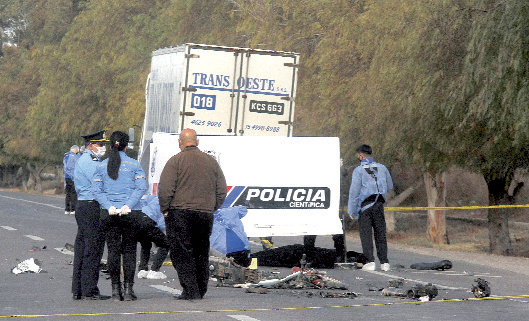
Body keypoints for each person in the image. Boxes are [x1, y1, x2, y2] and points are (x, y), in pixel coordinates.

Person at [158, 128, 227, 300]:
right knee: (201, 251)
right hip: (205, 214)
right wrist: (211, 207)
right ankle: (201, 288)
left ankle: (190, 290)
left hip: (180, 213)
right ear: (197, 142)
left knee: (182, 252)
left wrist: (165, 209)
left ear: (180, 143)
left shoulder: (176, 161)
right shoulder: (211, 162)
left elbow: (165, 189)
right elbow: (221, 190)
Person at [92, 131, 146, 301]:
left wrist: (110, 206)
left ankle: (115, 291)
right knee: (129, 251)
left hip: (109, 214)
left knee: (113, 251)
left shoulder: (101, 166)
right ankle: (129, 290)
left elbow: (96, 190)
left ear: (109, 145)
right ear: (126, 146)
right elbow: (141, 187)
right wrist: (127, 205)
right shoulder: (134, 164)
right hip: (131, 213)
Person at [71, 131, 110, 300]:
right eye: (101, 145)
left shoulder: (88, 160)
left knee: (82, 248)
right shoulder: (90, 161)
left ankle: (78, 288)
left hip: (85, 206)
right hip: (91, 206)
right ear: (91, 145)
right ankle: (89, 289)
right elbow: (102, 183)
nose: (103, 148)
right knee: (92, 249)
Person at [348, 144, 393, 271]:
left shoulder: (359, 170)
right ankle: (384, 262)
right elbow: (389, 186)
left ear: (361, 156)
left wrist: (352, 210)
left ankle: (370, 261)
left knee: (366, 234)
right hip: (379, 204)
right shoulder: (382, 168)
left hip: (365, 206)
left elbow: (354, 192)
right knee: (380, 234)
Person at [137, 195, 170, 280]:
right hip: (150, 221)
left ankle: (142, 270)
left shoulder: (154, 197)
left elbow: (143, 201)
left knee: (145, 244)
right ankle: (155, 270)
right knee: (165, 244)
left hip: (138, 218)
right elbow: (161, 224)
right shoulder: (168, 205)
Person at [64, 145, 79, 214]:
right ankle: (73, 209)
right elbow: (74, 167)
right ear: (75, 149)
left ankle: (67, 209)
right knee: (73, 193)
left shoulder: (66, 156)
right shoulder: (73, 156)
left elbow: (65, 167)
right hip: (72, 177)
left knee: (68, 193)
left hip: (67, 177)